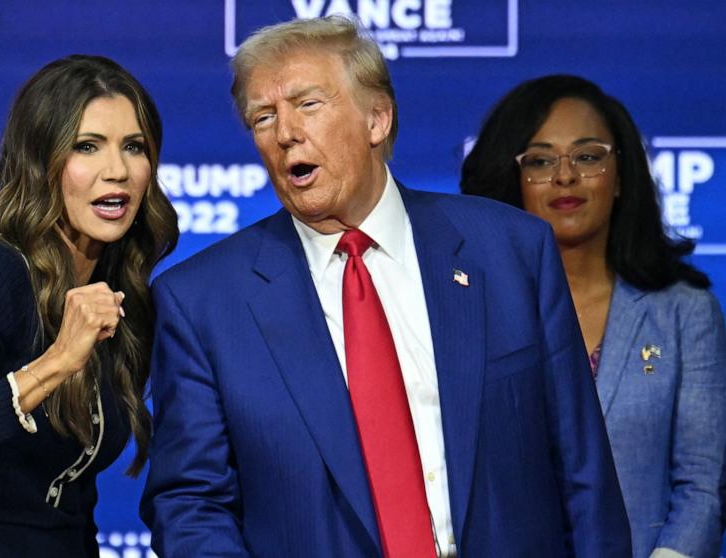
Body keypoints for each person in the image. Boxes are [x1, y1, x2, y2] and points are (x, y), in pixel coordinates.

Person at [141, 16, 631, 558]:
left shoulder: (511, 252)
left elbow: (583, 473)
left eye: (308, 105)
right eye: (263, 117)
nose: (284, 133)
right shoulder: (203, 301)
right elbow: (190, 504)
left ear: (377, 119)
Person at [0, 55, 178, 557]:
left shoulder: (120, 294)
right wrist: (57, 363)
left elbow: (70, 503)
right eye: (88, 147)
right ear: (42, 162)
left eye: (134, 147)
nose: (118, 171)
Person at [461, 74, 726, 558]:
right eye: (540, 160)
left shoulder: (685, 313)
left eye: (587, 156)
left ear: (621, 175)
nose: (566, 176)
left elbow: (702, 487)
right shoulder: (469, 313)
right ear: (513, 180)